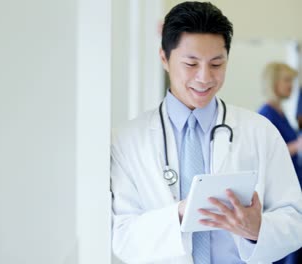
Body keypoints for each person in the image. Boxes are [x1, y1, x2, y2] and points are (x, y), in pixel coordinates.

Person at [110, 2, 302, 264]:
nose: (204, 77)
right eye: (191, 63)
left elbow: (295, 219)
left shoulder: (260, 132)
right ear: (164, 58)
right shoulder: (127, 140)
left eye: (216, 64)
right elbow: (121, 237)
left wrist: (257, 230)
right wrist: (179, 213)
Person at [258, 63, 302, 264]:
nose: (291, 86)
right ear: (273, 83)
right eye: (286, 80)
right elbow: (265, 154)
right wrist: (297, 145)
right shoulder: (266, 114)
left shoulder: (282, 113)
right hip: (278, 192)